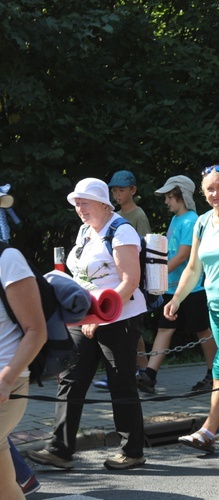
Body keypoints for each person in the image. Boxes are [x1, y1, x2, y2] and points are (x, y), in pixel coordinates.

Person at [28, 178, 147, 470]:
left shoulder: (122, 231)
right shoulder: (85, 231)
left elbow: (130, 281)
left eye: (84, 201)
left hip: (120, 317)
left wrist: (100, 315)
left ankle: (132, 451)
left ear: (103, 203)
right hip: (85, 318)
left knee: (121, 383)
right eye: (76, 203)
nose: (79, 208)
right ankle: (60, 449)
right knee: (71, 378)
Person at [162, 166, 219, 453]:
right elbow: (192, 268)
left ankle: (207, 432)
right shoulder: (201, 222)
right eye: (210, 189)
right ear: (203, 194)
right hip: (215, 308)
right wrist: (176, 298)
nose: (216, 193)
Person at [135, 175, 216, 394]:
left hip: (191, 288)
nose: (166, 202)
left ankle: (216, 375)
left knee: (203, 331)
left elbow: (182, 256)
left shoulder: (191, 220)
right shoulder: (175, 220)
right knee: (164, 328)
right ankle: (149, 376)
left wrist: (156, 274)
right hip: (171, 288)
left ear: (182, 196)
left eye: (170, 197)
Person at [94, 170, 151, 390]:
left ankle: (141, 371)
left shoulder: (138, 215)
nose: (117, 194)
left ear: (133, 190)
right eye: (114, 190)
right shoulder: (113, 215)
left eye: (121, 190)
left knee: (131, 325)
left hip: (132, 279)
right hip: (114, 281)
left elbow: (146, 247)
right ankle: (135, 371)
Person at [0, 245, 47, 498]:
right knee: (5, 487)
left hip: (8, 382)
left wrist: (6, 378)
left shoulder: (7, 259)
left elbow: (36, 330)